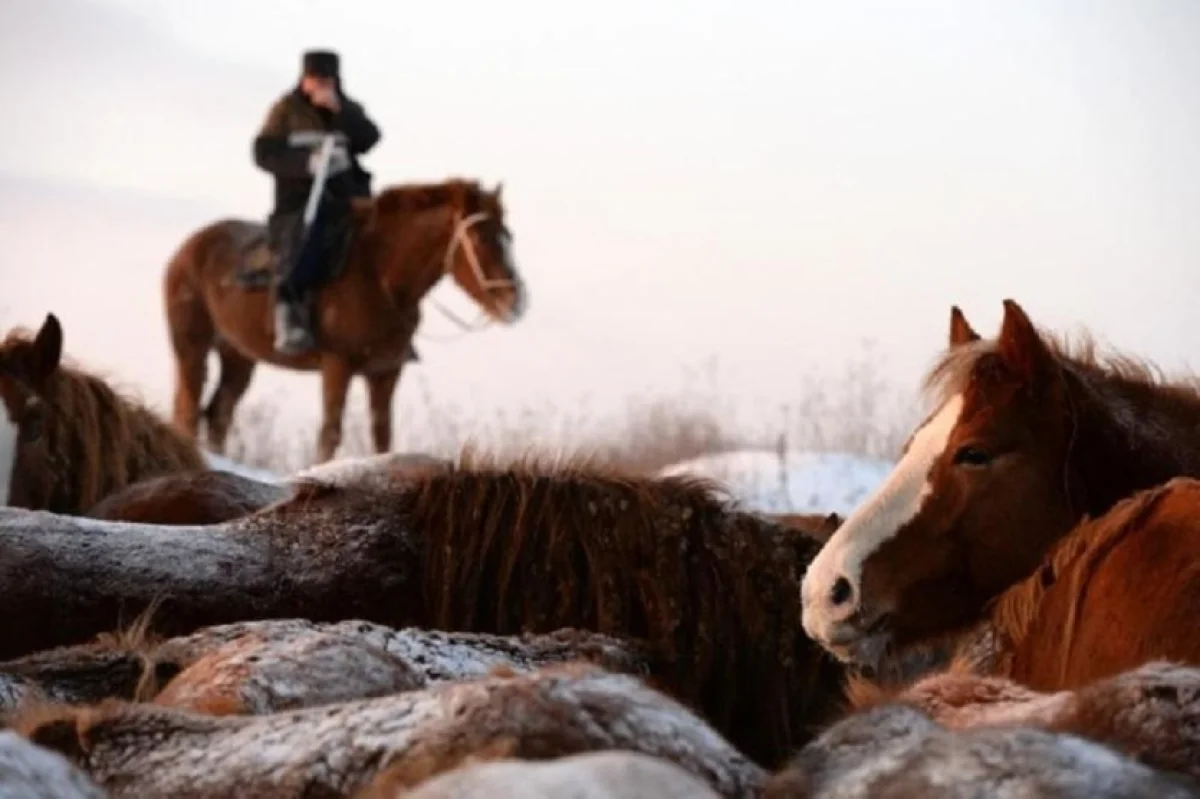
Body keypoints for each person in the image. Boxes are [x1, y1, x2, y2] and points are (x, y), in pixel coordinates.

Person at [252, 49, 381, 354]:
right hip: (300, 198)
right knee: (307, 237)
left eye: (326, 78)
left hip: (348, 193)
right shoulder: (285, 109)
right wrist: (306, 164)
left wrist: (340, 113)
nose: (320, 84)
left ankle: (386, 317)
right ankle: (289, 310)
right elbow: (263, 152)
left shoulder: (348, 108)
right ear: (304, 78)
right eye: (314, 78)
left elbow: (370, 138)